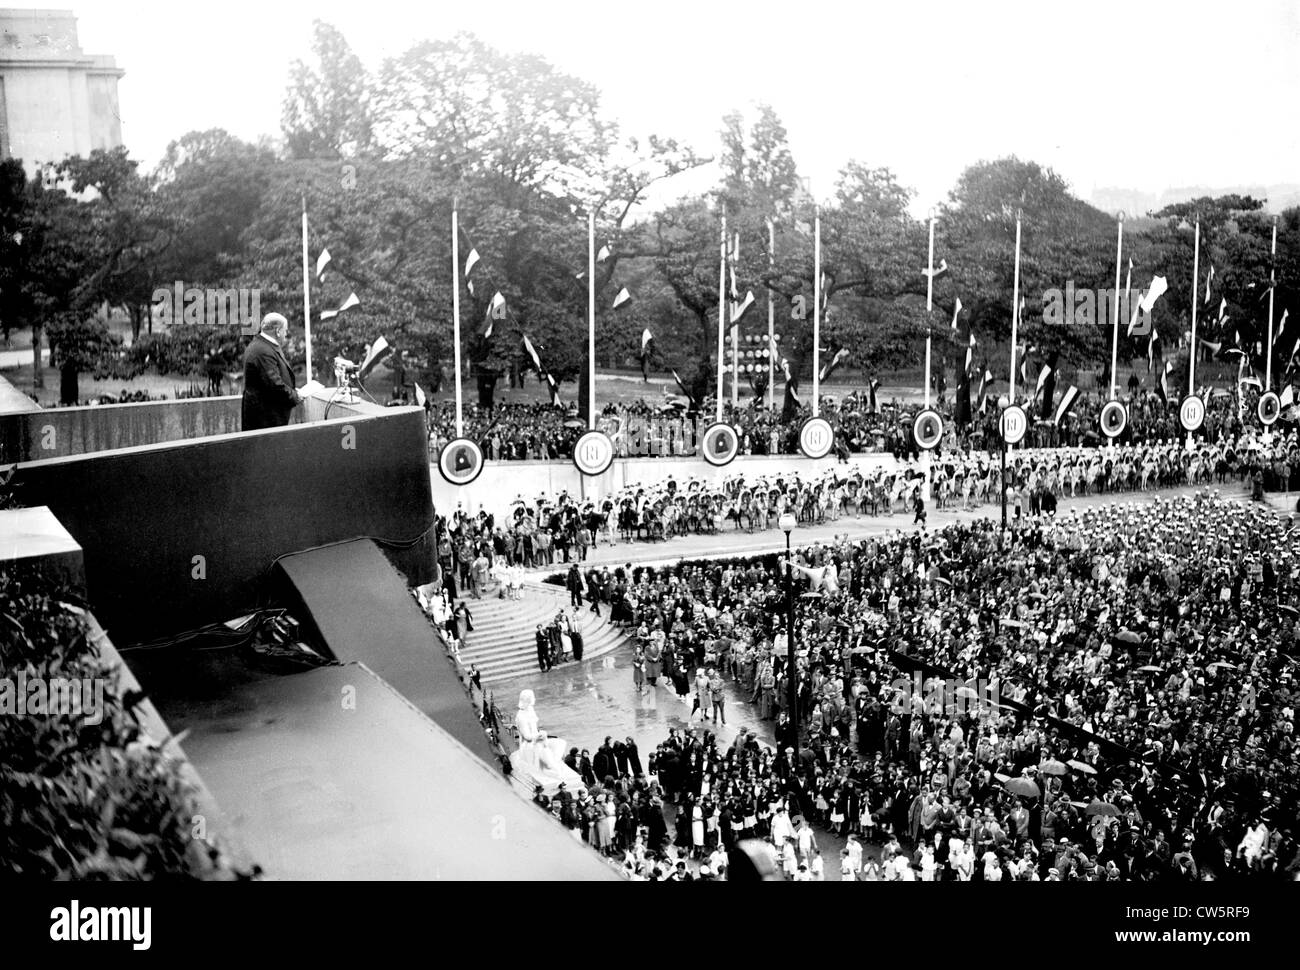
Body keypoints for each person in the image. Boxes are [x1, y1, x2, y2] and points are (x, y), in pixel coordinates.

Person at [241, 312, 303, 430]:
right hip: (265, 420)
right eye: (285, 330)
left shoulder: (262, 345)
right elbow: (274, 385)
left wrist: (292, 390)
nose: (286, 334)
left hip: (265, 417)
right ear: (278, 331)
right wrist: (295, 396)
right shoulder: (263, 350)